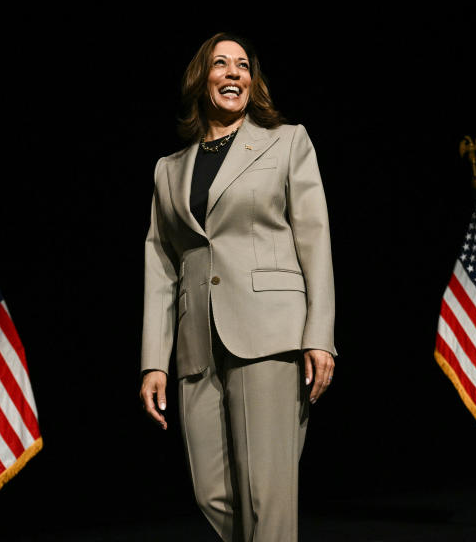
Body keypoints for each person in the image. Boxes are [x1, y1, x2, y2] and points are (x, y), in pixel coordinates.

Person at [138, 32, 337, 541]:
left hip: (268, 332)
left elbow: (314, 240)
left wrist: (319, 335)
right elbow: (161, 264)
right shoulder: (169, 169)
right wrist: (154, 360)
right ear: (200, 79)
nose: (234, 73)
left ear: (253, 81)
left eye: (243, 66)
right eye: (221, 64)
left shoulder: (287, 141)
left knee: (265, 494)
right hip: (196, 341)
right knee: (212, 493)